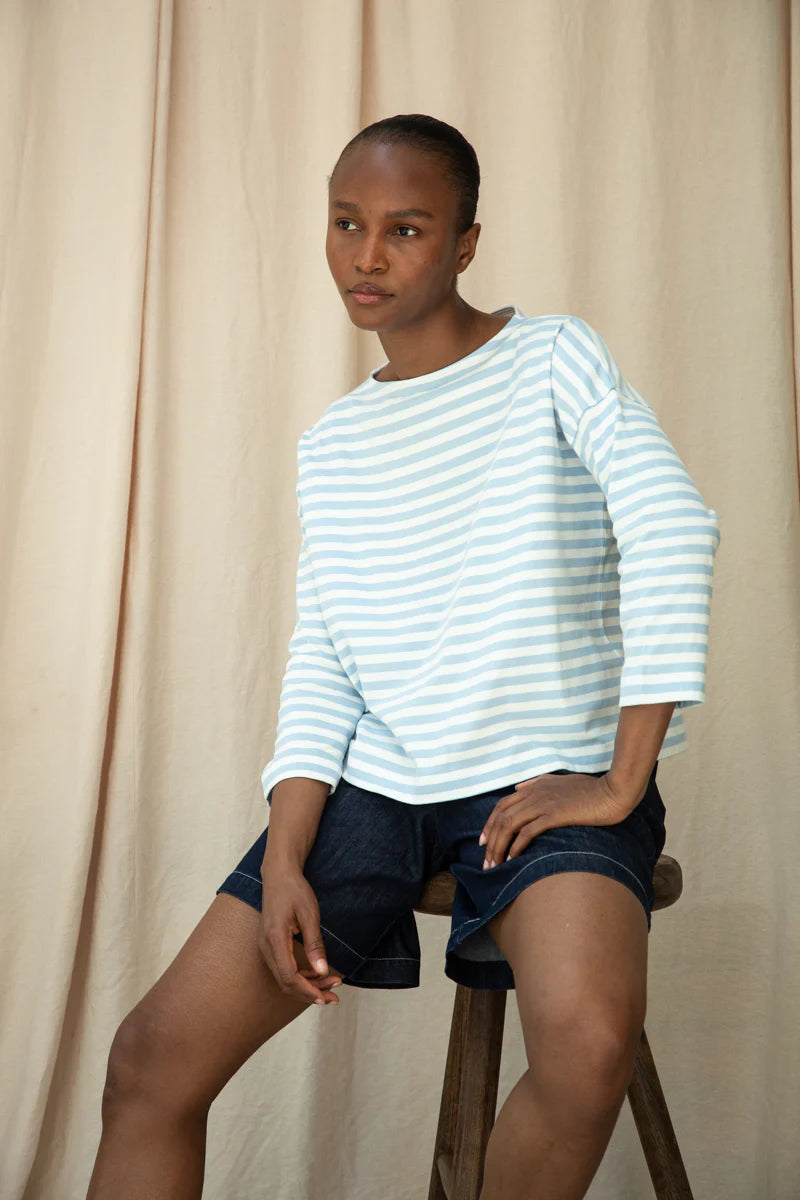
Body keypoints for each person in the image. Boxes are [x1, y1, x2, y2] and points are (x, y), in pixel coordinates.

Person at [87, 114, 721, 1200]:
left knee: (585, 1051)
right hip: (378, 788)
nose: (367, 256)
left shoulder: (551, 357)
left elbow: (671, 523)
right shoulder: (333, 443)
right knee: (149, 1061)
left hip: (540, 775)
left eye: (407, 229)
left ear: (466, 243)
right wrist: (287, 854)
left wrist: (622, 778)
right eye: (347, 224)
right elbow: (327, 656)